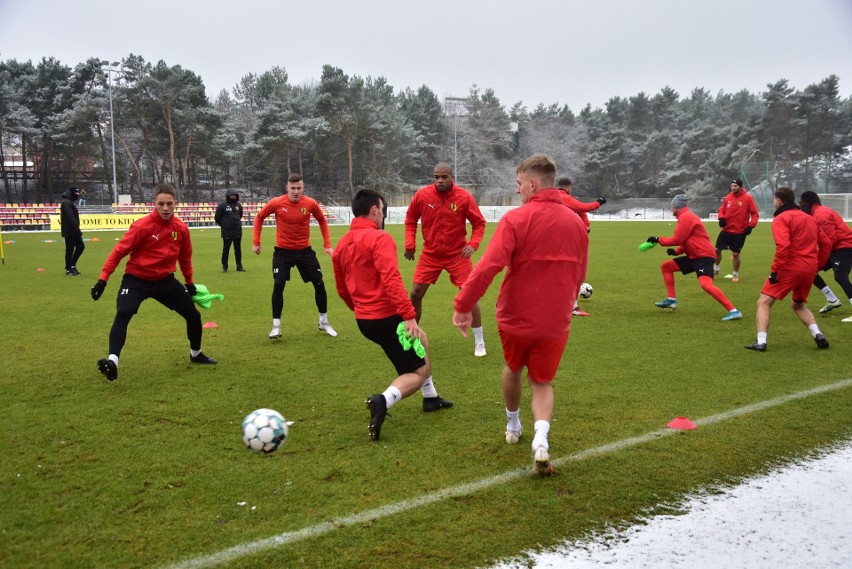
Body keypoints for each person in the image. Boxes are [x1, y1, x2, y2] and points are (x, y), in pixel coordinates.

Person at [453, 155, 588, 476]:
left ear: (533, 183)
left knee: (513, 368)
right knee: (542, 381)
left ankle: (513, 424)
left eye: (518, 185)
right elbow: (580, 274)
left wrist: (462, 305)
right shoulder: (577, 223)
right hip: (555, 320)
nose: (517, 192)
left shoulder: (516, 220)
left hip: (515, 316)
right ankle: (541, 439)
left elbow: (488, 267)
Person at [333, 189, 452, 441]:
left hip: (365, 320)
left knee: (422, 338)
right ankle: (383, 400)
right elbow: (392, 280)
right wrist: (408, 316)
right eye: (382, 209)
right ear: (375, 210)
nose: (383, 214)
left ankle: (430, 398)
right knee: (415, 374)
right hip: (386, 318)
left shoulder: (342, 243)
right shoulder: (380, 238)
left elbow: (341, 288)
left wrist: (360, 310)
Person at [90, 184, 217, 381]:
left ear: (176, 204)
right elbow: (118, 252)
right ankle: (112, 361)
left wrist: (189, 283)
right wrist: (103, 279)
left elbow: (185, 259)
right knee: (124, 312)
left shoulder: (181, 229)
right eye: (161, 204)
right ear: (154, 205)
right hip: (136, 280)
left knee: (193, 315)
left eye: (169, 204)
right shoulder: (142, 226)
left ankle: (196, 354)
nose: (165, 208)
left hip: (165, 281)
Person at [405, 162, 488, 357]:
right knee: (415, 293)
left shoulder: (464, 197)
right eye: (436, 177)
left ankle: (479, 341)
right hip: (431, 254)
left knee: (469, 294)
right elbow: (410, 220)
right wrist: (410, 243)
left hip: (457, 254)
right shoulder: (422, 195)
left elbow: (479, 224)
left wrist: (473, 244)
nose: (439, 181)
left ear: (452, 177)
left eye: (444, 177)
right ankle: (412, 337)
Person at [745, 188, 832, 351]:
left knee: (763, 302)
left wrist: (775, 271)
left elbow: (783, 245)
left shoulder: (781, 218)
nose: (773, 203)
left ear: (779, 201)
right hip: (809, 268)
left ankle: (761, 341)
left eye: (773, 200)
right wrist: (817, 265)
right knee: (798, 304)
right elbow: (826, 244)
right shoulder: (809, 218)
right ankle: (818, 334)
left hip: (791, 266)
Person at [253, 173, 337, 339]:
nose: (296, 191)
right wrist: (256, 242)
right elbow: (259, 217)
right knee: (279, 284)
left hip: (304, 251)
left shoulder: (310, 203)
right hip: (283, 251)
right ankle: (276, 326)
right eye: (293, 188)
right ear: (287, 188)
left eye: (299, 188)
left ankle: (324, 321)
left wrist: (327, 245)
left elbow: (322, 221)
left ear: (303, 188)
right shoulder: (276, 203)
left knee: (319, 283)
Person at [647, 194, 742, 321]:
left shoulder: (686, 217)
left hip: (703, 257)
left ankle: (733, 310)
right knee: (666, 267)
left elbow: (678, 239)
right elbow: (687, 240)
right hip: (695, 256)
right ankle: (671, 300)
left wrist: (658, 240)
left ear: (677, 207)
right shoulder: (685, 216)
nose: (671, 210)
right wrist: (676, 252)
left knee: (705, 284)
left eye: (672, 207)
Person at [798, 191, 852, 321]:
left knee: (840, 276)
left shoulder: (821, 215)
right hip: (835, 248)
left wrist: (817, 255)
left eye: (801, 203)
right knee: (809, 269)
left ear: (808, 203)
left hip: (844, 247)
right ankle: (832, 299)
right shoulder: (817, 213)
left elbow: (830, 240)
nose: (800, 206)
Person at [556, 177, 606, 316]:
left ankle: (564, 304)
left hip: (558, 238)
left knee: (563, 271)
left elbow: (581, 212)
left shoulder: (555, 198)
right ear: (569, 187)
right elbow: (583, 207)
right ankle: (571, 306)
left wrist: (585, 226)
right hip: (569, 239)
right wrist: (598, 202)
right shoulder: (563, 197)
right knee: (577, 272)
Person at [714, 179, 759, 282]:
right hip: (726, 230)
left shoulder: (748, 198)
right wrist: (721, 218)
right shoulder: (727, 198)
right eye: (732, 186)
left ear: (740, 187)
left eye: (735, 186)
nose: (733, 188)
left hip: (740, 231)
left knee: (735, 254)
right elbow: (722, 209)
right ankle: (716, 268)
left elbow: (755, 214)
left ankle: (735, 274)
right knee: (716, 250)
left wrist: (750, 226)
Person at [215, 190, 245, 272]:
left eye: (235, 195)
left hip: (237, 231)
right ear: (228, 196)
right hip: (227, 231)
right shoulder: (222, 206)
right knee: (226, 249)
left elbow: (240, 215)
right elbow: (217, 218)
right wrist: (224, 225)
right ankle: (225, 266)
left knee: (238, 249)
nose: (233, 197)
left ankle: (239, 266)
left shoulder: (238, 205)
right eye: (231, 195)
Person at [60, 186, 84, 276]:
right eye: (76, 193)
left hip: (74, 230)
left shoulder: (70, 202)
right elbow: (70, 217)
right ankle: (68, 269)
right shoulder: (66, 202)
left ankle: (72, 266)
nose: (77, 195)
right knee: (70, 249)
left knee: (80, 247)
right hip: (70, 230)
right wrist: (77, 229)